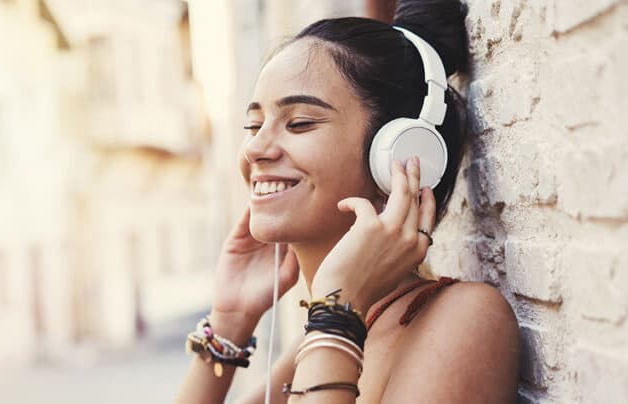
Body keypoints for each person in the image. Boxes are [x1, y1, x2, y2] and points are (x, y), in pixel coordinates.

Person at [176, 0, 520, 402]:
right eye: (253, 125)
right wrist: (229, 323)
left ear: (397, 155)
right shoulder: (319, 342)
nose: (255, 148)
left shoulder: (464, 320)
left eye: (299, 122)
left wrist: (337, 306)